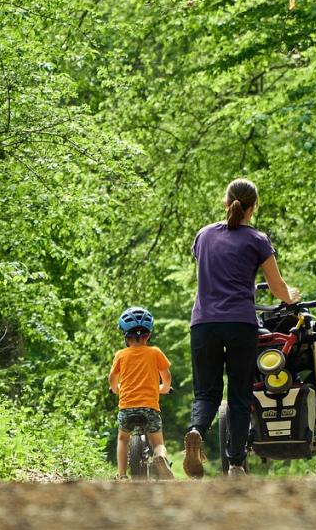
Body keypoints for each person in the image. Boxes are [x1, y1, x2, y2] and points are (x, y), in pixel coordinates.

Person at [183, 178, 299, 477]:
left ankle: (196, 430)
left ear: (226, 202)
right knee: (239, 395)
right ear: (254, 206)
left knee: (206, 393)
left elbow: (205, 263)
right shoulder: (258, 240)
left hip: (204, 324)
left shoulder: (204, 235)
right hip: (241, 324)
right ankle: (235, 463)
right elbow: (277, 287)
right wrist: (292, 297)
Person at [109, 306, 175, 480]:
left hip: (127, 407)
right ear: (149, 334)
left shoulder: (120, 355)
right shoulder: (155, 353)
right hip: (150, 407)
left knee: (123, 439)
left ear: (125, 335)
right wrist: (164, 388)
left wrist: (116, 389)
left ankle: (122, 475)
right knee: (158, 442)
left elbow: (112, 378)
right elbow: (166, 377)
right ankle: (160, 457)